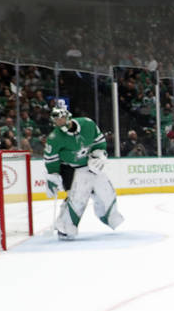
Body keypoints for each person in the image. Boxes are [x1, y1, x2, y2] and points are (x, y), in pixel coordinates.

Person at [43, 101, 123, 240]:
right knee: (78, 199)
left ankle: (109, 218)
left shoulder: (87, 123)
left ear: (68, 116)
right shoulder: (54, 138)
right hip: (73, 169)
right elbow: (51, 160)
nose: (58, 122)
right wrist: (53, 176)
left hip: (92, 166)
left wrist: (99, 154)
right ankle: (65, 228)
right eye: (55, 120)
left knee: (107, 192)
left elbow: (99, 142)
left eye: (60, 118)